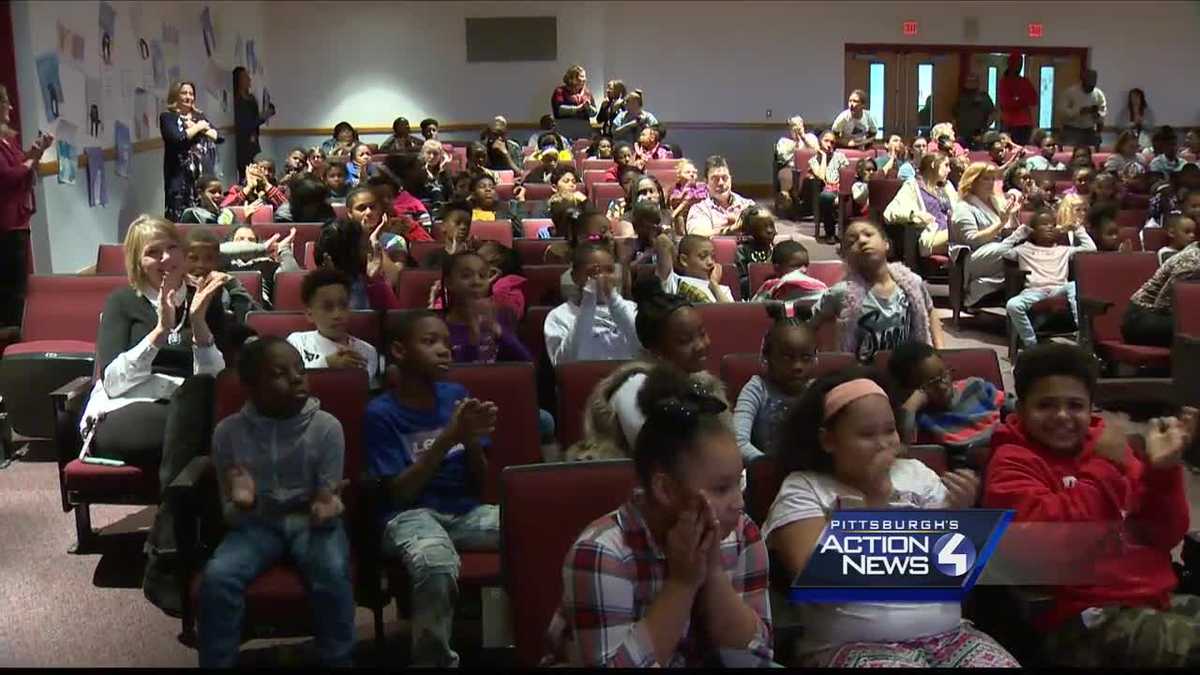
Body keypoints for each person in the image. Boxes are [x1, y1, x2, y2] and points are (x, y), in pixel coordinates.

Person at [764, 366, 1018, 667]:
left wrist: (960, 515)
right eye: (867, 434)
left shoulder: (916, 474)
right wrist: (876, 497)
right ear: (828, 440)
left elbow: (953, 564)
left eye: (889, 430)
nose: (885, 443)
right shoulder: (803, 487)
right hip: (851, 644)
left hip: (950, 636)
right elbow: (817, 581)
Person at [981, 343, 1199, 668]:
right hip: (1081, 618)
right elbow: (1052, 549)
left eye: (1075, 405)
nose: (1062, 416)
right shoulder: (1012, 462)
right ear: (1021, 409)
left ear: (1091, 408)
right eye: (1046, 405)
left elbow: (1164, 534)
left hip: (1155, 599)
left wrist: (1162, 472)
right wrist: (1103, 470)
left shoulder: (1107, 447)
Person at [546, 365, 773, 667]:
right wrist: (682, 582)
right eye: (720, 489)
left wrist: (713, 571)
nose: (739, 503)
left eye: (738, 483)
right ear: (665, 489)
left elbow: (755, 658)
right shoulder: (603, 552)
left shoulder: (743, 533)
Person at [198, 337, 355, 667]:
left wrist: (328, 507)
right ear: (252, 386)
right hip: (257, 523)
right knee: (218, 578)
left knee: (332, 571)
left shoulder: (327, 428)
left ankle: (338, 660)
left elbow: (329, 498)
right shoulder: (229, 433)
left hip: (311, 522)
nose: (297, 378)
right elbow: (229, 512)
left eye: (300, 368)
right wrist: (242, 502)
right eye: (280, 373)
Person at [365, 310, 500, 667]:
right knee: (435, 562)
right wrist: (448, 439)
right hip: (409, 516)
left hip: (464, 510)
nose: (444, 350)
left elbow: (480, 480)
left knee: (531, 529)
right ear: (399, 350)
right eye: (429, 342)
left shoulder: (455, 395)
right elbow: (399, 494)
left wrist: (470, 441)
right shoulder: (381, 413)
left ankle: (516, 644)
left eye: (446, 342)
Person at [80, 216, 228, 466]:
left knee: (194, 414)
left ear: (183, 252)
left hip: (191, 403)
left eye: (172, 248)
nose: (166, 258)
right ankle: (181, 496)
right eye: (153, 252)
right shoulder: (122, 302)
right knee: (195, 435)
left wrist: (199, 323)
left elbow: (216, 380)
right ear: (138, 263)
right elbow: (114, 384)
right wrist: (159, 332)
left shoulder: (205, 297)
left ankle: (175, 500)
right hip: (131, 404)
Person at [811, 220, 945, 363]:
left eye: (868, 234)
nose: (862, 241)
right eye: (852, 242)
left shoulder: (913, 283)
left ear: (886, 243)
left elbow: (930, 311)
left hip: (909, 369)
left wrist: (940, 351)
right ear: (845, 256)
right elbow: (811, 325)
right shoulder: (841, 293)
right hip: (863, 374)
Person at [888, 341, 1014, 452]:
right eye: (930, 384)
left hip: (1007, 444)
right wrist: (911, 406)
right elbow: (906, 447)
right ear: (912, 390)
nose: (942, 386)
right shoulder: (921, 418)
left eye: (943, 375)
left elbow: (1016, 406)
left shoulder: (975, 386)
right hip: (970, 461)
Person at [734, 303, 816, 462]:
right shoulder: (757, 388)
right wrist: (771, 466)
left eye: (806, 358)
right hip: (764, 471)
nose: (798, 366)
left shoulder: (816, 390)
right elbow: (739, 442)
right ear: (767, 358)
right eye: (787, 358)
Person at [0, 85, 52, 336]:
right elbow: (8, 176)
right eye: (5, 102)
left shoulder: (6, 140)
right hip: (6, 222)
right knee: (12, 285)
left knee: (19, 281)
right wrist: (31, 160)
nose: (10, 107)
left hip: (18, 219)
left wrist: (36, 151)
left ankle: (19, 329)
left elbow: (20, 161)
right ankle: (12, 335)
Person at [1003, 209, 1096, 348]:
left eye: (1052, 225)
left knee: (1074, 286)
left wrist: (1077, 228)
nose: (1049, 227)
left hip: (1058, 289)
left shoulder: (1063, 250)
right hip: (1033, 291)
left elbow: (1091, 248)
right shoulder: (1023, 249)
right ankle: (1031, 343)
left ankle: (1081, 332)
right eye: (1044, 224)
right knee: (1013, 305)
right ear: (1033, 231)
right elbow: (1002, 250)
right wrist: (1020, 233)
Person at [544, 241, 640, 366]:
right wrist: (588, 301)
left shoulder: (630, 308)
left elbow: (643, 351)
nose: (603, 277)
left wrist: (613, 300)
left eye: (610, 270)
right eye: (594, 272)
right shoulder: (559, 316)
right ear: (574, 277)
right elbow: (564, 364)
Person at [286, 267, 380, 384]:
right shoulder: (297, 342)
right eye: (327, 307)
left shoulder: (367, 352)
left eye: (343, 305)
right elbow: (292, 381)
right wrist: (327, 364)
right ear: (310, 314)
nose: (337, 315)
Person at [950, 162, 1025, 307]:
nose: (991, 183)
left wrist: (1013, 217)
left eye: (993, 178)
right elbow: (972, 241)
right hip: (975, 257)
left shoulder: (997, 202)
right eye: (986, 179)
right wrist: (1000, 224)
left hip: (998, 250)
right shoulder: (963, 207)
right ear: (972, 181)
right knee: (1011, 251)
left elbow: (1008, 232)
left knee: (1027, 249)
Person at [1121, 238, 1200, 347]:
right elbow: (1162, 305)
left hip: (1164, 316)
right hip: (1142, 317)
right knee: (1192, 327)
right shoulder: (1193, 263)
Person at [161, 81, 219, 221]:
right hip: (179, 181)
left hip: (201, 181)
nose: (188, 97)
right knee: (180, 221)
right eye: (184, 93)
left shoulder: (199, 117)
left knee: (204, 218)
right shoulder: (168, 118)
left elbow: (218, 136)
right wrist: (198, 128)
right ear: (176, 96)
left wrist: (200, 127)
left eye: (191, 94)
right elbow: (178, 138)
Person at [884, 152, 959, 257]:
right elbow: (890, 213)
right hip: (931, 236)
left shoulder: (947, 186)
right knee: (964, 234)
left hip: (951, 232)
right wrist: (915, 215)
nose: (949, 170)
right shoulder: (913, 185)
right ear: (933, 164)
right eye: (946, 165)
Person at [185, 228, 259, 324]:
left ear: (217, 262)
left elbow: (253, 319)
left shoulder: (227, 286)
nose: (201, 265)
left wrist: (232, 285)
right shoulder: (176, 289)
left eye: (209, 259)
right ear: (183, 260)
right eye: (193, 258)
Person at [685, 155, 753, 236]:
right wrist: (731, 229)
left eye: (725, 178)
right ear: (706, 182)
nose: (721, 183)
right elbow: (698, 237)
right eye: (715, 179)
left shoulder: (748, 205)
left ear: (730, 179)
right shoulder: (699, 210)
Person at [658, 234, 734, 304]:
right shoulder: (673, 281)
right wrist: (675, 257)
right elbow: (662, 241)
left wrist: (714, 285)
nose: (710, 262)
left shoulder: (723, 289)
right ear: (684, 260)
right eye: (703, 256)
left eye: (712, 257)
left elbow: (730, 314)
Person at [232, 66, 274, 183]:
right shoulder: (236, 101)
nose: (249, 79)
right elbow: (245, 124)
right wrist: (264, 116)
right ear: (238, 80)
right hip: (242, 143)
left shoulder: (251, 99)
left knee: (257, 169)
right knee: (245, 173)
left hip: (254, 141)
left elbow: (254, 122)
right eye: (245, 77)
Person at [750, 240, 829, 303]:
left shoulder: (815, 287)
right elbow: (756, 310)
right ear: (777, 268)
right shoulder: (770, 287)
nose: (804, 270)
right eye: (796, 266)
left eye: (806, 265)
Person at [808, 131, 851, 243]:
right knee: (826, 197)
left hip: (841, 189)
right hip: (825, 190)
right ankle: (830, 234)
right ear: (819, 142)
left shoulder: (840, 157)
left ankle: (845, 234)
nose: (829, 144)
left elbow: (847, 174)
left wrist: (840, 192)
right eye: (826, 141)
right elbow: (821, 176)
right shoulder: (813, 161)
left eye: (832, 142)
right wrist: (823, 156)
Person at [775, 116, 821, 212]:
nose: (796, 129)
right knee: (785, 175)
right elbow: (782, 158)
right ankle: (785, 198)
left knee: (810, 179)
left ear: (803, 126)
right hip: (791, 168)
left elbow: (817, 151)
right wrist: (794, 145)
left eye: (798, 126)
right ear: (789, 128)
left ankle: (808, 208)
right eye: (793, 126)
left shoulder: (811, 137)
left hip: (809, 169)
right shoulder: (784, 141)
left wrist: (803, 138)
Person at [1059, 69, 1107, 150]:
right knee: (1070, 152)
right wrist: (1079, 111)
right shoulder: (1071, 92)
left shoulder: (1098, 94)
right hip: (1072, 130)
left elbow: (1103, 112)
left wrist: (1097, 114)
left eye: (1093, 85)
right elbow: (1062, 111)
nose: (1090, 87)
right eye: (1088, 84)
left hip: (1090, 130)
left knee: (1092, 153)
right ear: (1083, 80)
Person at [734, 205, 777, 298]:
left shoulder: (778, 250)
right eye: (763, 226)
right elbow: (741, 282)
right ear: (750, 230)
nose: (769, 230)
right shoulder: (742, 251)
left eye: (771, 226)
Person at [997, 52, 1037, 145]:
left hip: (1024, 124)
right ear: (1010, 64)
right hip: (1009, 123)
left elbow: (1034, 99)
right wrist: (1021, 101)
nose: (1019, 66)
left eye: (1020, 64)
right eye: (1016, 63)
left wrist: (1018, 100)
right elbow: (1005, 102)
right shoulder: (1004, 82)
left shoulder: (1024, 81)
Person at [953, 72, 997, 149]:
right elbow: (954, 116)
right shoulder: (961, 98)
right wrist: (957, 131)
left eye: (973, 80)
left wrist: (984, 129)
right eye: (968, 81)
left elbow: (992, 115)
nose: (970, 83)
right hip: (963, 136)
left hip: (979, 136)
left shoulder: (984, 97)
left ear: (977, 82)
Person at [550, 64, 597, 132]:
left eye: (584, 77)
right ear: (571, 78)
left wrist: (588, 107)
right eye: (581, 76)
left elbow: (594, 112)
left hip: (583, 131)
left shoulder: (587, 93)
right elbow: (559, 110)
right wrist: (578, 108)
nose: (584, 79)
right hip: (564, 130)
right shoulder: (560, 91)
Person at [667, 159, 708, 231]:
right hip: (681, 218)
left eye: (694, 172)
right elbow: (673, 201)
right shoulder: (675, 189)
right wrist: (685, 191)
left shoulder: (702, 187)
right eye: (687, 172)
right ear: (679, 175)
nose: (692, 174)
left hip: (700, 217)